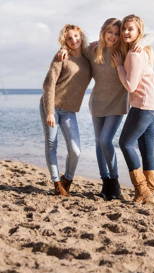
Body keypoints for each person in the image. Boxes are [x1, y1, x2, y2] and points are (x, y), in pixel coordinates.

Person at [58, 18, 154, 200]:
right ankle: (106, 183)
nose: (113, 36)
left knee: (105, 141)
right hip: (97, 103)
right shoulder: (92, 49)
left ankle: (115, 182)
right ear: (103, 31)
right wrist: (64, 48)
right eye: (110, 32)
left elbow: (150, 36)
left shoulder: (125, 50)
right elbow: (74, 46)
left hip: (117, 103)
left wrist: (142, 42)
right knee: (98, 142)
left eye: (117, 33)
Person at [112, 14, 154, 204]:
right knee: (146, 149)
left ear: (138, 31)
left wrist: (119, 66)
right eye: (124, 28)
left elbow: (130, 86)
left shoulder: (135, 53)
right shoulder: (143, 49)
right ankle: (150, 190)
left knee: (126, 143)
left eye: (130, 29)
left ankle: (142, 190)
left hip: (144, 106)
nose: (125, 32)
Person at [40, 24, 91, 196]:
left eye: (76, 36)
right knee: (51, 144)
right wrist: (49, 112)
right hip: (51, 106)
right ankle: (56, 184)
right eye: (69, 38)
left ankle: (67, 179)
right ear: (64, 40)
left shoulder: (87, 57)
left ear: (81, 36)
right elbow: (49, 84)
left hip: (69, 110)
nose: (73, 40)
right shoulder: (61, 56)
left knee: (75, 150)